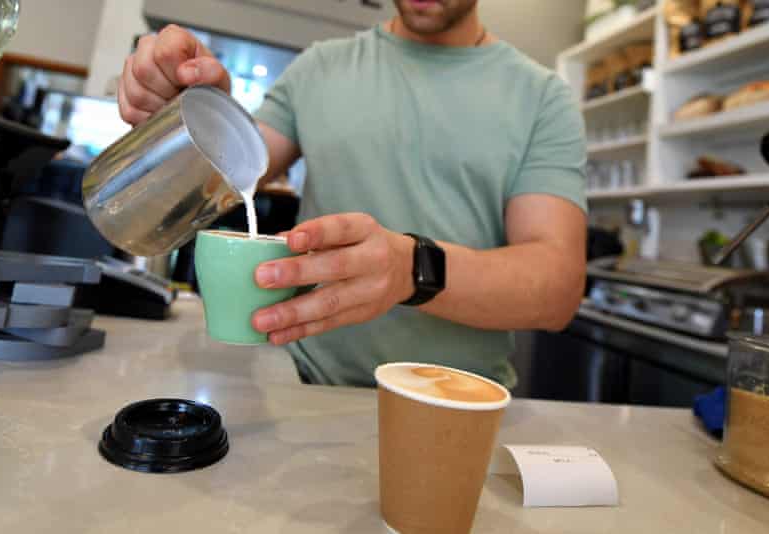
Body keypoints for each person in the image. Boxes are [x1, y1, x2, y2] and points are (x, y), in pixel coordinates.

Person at [118, 0, 588, 388]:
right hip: (309, 391)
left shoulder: (541, 97)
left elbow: (557, 286)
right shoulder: (319, 69)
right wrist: (194, 117)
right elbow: (217, 177)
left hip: (460, 404)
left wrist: (410, 269)